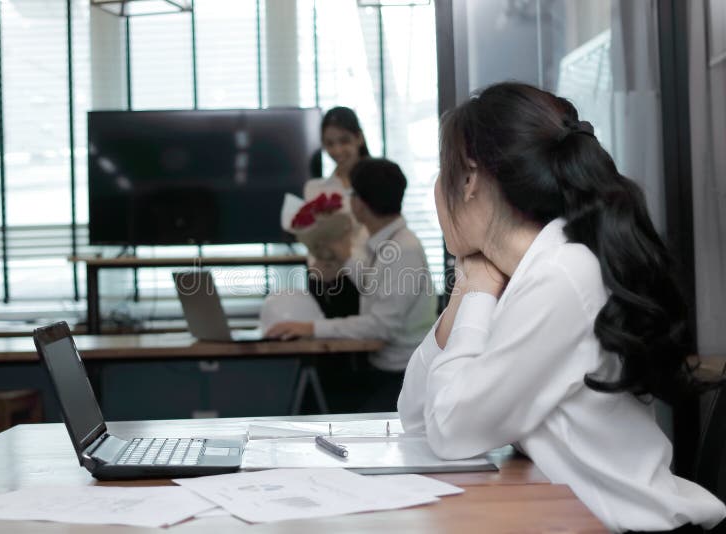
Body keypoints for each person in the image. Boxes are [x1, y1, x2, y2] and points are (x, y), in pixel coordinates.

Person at [397, 82, 725, 533]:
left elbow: (451, 430)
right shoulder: (527, 271)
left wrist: (476, 295)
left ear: (470, 178)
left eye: (442, 170)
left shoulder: (563, 275)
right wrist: (465, 296)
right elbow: (418, 416)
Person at [269, 158, 436, 411]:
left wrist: (310, 327)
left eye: (352, 194)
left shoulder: (403, 249)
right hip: (387, 368)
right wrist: (343, 254)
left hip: (402, 375)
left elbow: (381, 326)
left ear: (360, 204)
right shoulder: (387, 242)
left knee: (328, 405)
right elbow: (373, 286)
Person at [304, 106, 370, 319]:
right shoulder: (316, 189)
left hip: (366, 278)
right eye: (330, 144)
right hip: (324, 279)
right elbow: (311, 239)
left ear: (359, 138)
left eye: (344, 141)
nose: (337, 150)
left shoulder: (376, 182)